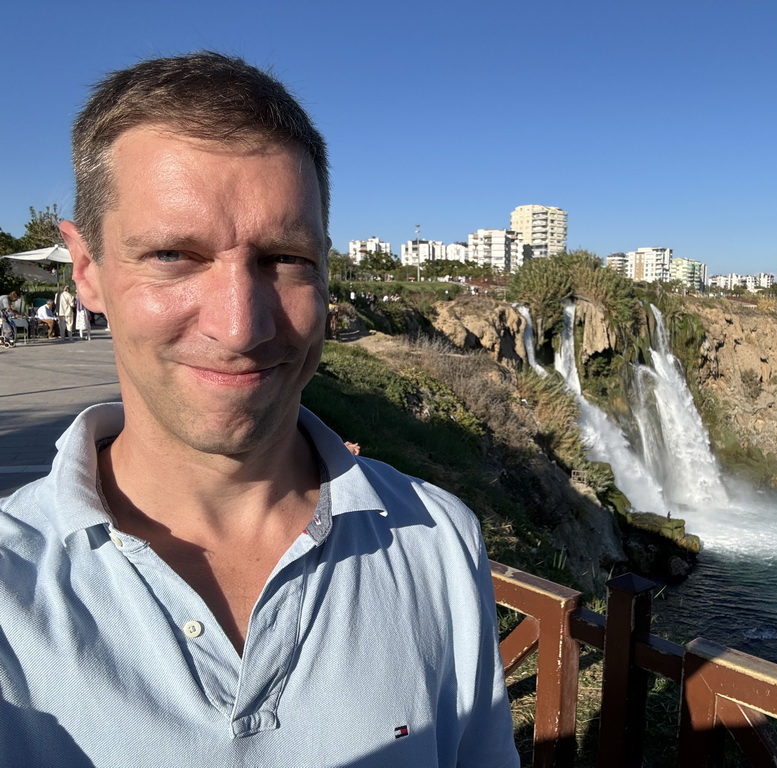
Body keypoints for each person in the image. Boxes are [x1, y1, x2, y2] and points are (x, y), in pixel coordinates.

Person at [0, 52, 518, 768]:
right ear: (87, 270)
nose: (241, 327)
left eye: (284, 258)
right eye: (175, 255)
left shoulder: (439, 544)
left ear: (326, 266)